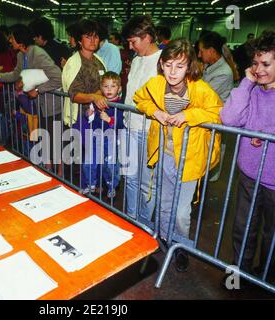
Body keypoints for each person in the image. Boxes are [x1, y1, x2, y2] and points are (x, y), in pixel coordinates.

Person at [220, 29, 275, 282]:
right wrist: (246, 82)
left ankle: (265, 281)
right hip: (249, 174)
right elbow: (229, 118)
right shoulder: (253, 89)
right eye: (255, 62)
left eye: (266, 64)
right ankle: (239, 274)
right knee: (242, 230)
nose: (258, 69)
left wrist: (269, 132)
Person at [134, 38, 222, 272]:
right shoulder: (155, 84)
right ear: (161, 64)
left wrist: (189, 116)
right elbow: (139, 99)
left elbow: (219, 113)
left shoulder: (200, 89)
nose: (173, 71)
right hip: (164, 154)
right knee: (163, 203)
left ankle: (181, 246)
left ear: (189, 66)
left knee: (182, 212)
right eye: (169, 64)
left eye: (180, 66)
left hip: (190, 159)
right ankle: (165, 239)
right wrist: (155, 112)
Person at [0, 24, 62, 170]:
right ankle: (49, 171)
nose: (10, 40)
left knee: (55, 140)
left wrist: (39, 90)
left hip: (51, 105)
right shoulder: (22, 55)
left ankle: (60, 175)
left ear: (20, 40)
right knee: (45, 138)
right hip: (40, 105)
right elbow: (16, 74)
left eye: (12, 38)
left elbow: (58, 77)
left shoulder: (38, 54)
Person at [120, 15, 162, 220]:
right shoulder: (136, 61)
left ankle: (144, 224)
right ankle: (131, 219)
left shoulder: (164, 62)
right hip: (130, 126)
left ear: (146, 37)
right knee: (130, 177)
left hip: (149, 130)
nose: (130, 46)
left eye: (133, 42)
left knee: (147, 183)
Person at [62, 19, 107, 190]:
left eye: (96, 37)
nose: (93, 40)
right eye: (88, 37)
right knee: (84, 154)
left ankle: (95, 184)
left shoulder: (99, 60)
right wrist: (94, 97)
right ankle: (83, 187)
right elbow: (74, 94)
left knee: (95, 152)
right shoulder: (74, 62)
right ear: (80, 40)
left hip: (98, 116)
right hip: (80, 117)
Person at [198, 31, 235, 182]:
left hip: (214, 120)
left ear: (211, 51)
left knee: (209, 158)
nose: (199, 55)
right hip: (205, 117)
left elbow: (201, 95)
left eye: (201, 51)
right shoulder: (209, 66)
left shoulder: (223, 72)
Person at [82, 71, 123, 198]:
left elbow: (121, 123)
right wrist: (88, 114)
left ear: (119, 88)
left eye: (113, 86)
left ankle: (112, 186)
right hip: (96, 137)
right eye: (106, 86)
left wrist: (109, 120)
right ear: (101, 88)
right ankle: (90, 184)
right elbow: (90, 117)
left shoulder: (120, 105)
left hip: (111, 139)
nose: (109, 89)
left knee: (109, 165)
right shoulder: (97, 102)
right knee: (89, 162)